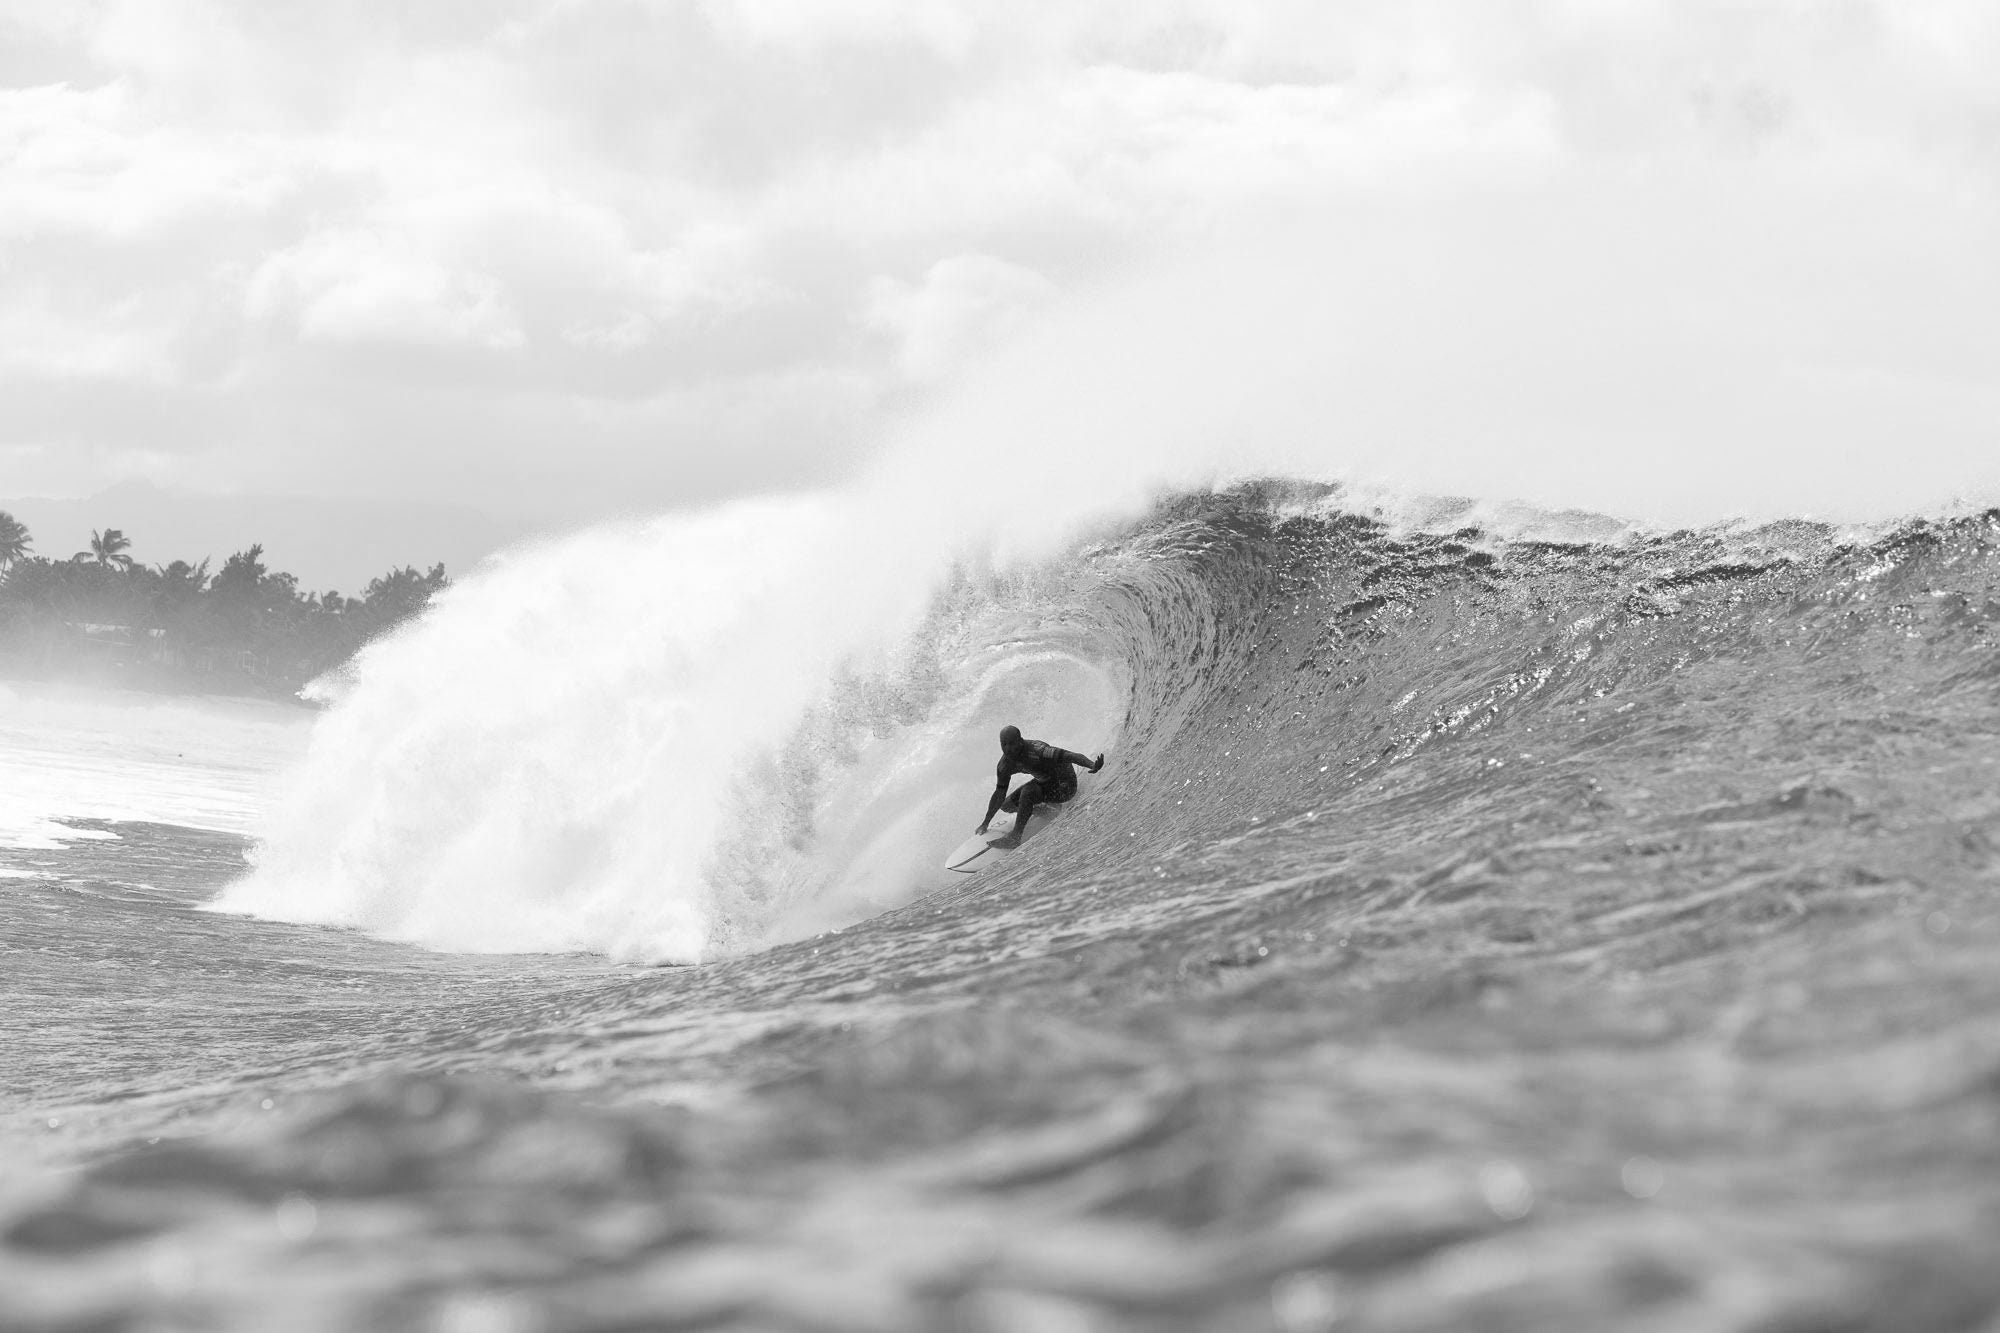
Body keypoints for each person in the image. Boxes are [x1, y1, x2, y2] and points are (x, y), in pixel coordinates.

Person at [976, 724, 1105, 846]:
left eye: (1011, 743)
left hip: (1065, 786)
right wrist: (985, 823)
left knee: (1028, 791)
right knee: (1006, 805)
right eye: (1004, 744)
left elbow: (1069, 756)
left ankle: (1015, 837)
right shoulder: (1004, 765)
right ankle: (1048, 812)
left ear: (1020, 741)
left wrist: (1092, 765)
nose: (1008, 748)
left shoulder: (1038, 750)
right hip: (1045, 783)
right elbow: (999, 794)